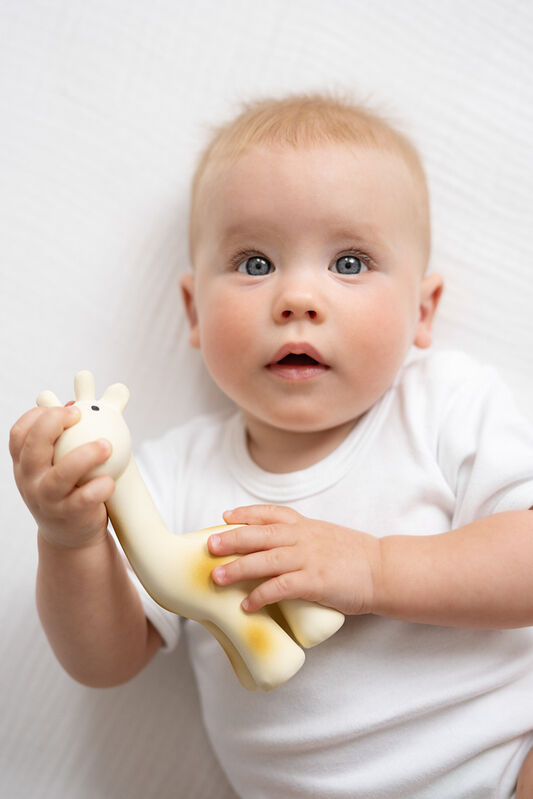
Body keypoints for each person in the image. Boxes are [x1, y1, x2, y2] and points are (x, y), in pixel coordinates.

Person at [9, 92, 533, 798]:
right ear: (194, 311)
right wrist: (70, 539)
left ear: (423, 308)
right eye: (255, 263)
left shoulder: (445, 404)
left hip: (505, 766)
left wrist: (374, 569)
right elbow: (106, 662)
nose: (297, 298)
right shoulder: (170, 477)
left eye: (350, 262)